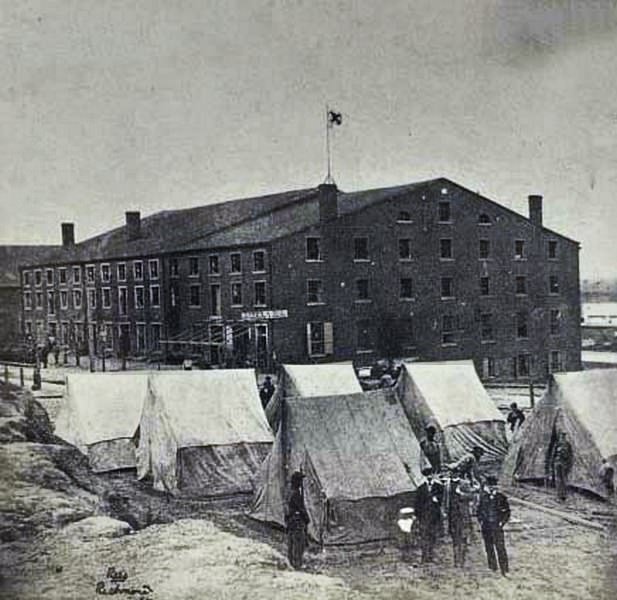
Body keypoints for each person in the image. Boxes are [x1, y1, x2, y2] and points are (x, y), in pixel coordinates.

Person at [477, 475, 511, 576]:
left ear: (496, 487)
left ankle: (504, 569)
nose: (492, 488)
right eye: (490, 486)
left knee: (500, 547)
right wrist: (482, 521)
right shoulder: (483, 497)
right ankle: (492, 567)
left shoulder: (501, 497)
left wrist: (502, 522)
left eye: (494, 486)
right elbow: (479, 511)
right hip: (486, 526)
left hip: (497, 526)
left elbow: (507, 512)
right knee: (489, 547)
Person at [445, 467, 478, 567]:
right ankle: (456, 561)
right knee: (455, 538)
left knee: (463, 537)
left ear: (458, 473)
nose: (453, 474)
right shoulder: (447, 484)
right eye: (451, 472)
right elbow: (445, 499)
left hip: (463, 515)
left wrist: (461, 494)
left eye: (455, 473)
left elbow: (471, 496)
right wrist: (445, 510)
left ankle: (462, 560)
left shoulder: (464, 483)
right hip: (452, 514)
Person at [414, 467, 444, 563]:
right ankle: (424, 556)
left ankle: (431, 555)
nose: (430, 477)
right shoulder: (421, 488)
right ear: (425, 476)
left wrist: (437, 499)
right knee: (424, 536)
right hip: (424, 516)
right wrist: (417, 516)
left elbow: (443, 499)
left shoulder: (438, 487)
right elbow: (417, 503)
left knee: (433, 536)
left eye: (431, 474)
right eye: (428, 475)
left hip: (434, 516)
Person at [285, 471, 310, 569]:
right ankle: (297, 564)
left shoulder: (289, 491)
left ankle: (291, 562)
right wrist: (307, 518)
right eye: (300, 481)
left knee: (292, 542)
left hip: (291, 520)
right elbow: (301, 508)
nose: (301, 483)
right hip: (297, 520)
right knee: (299, 543)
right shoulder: (296, 494)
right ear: (297, 482)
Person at [551, 432, 573, 501]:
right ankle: (559, 495)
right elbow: (554, 454)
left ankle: (563, 496)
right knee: (559, 480)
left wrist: (569, 465)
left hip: (563, 464)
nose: (562, 437)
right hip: (558, 463)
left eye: (563, 436)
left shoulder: (567, 445)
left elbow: (570, 455)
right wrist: (553, 462)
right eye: (562, 436)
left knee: (563, 480)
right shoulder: (558, 444)